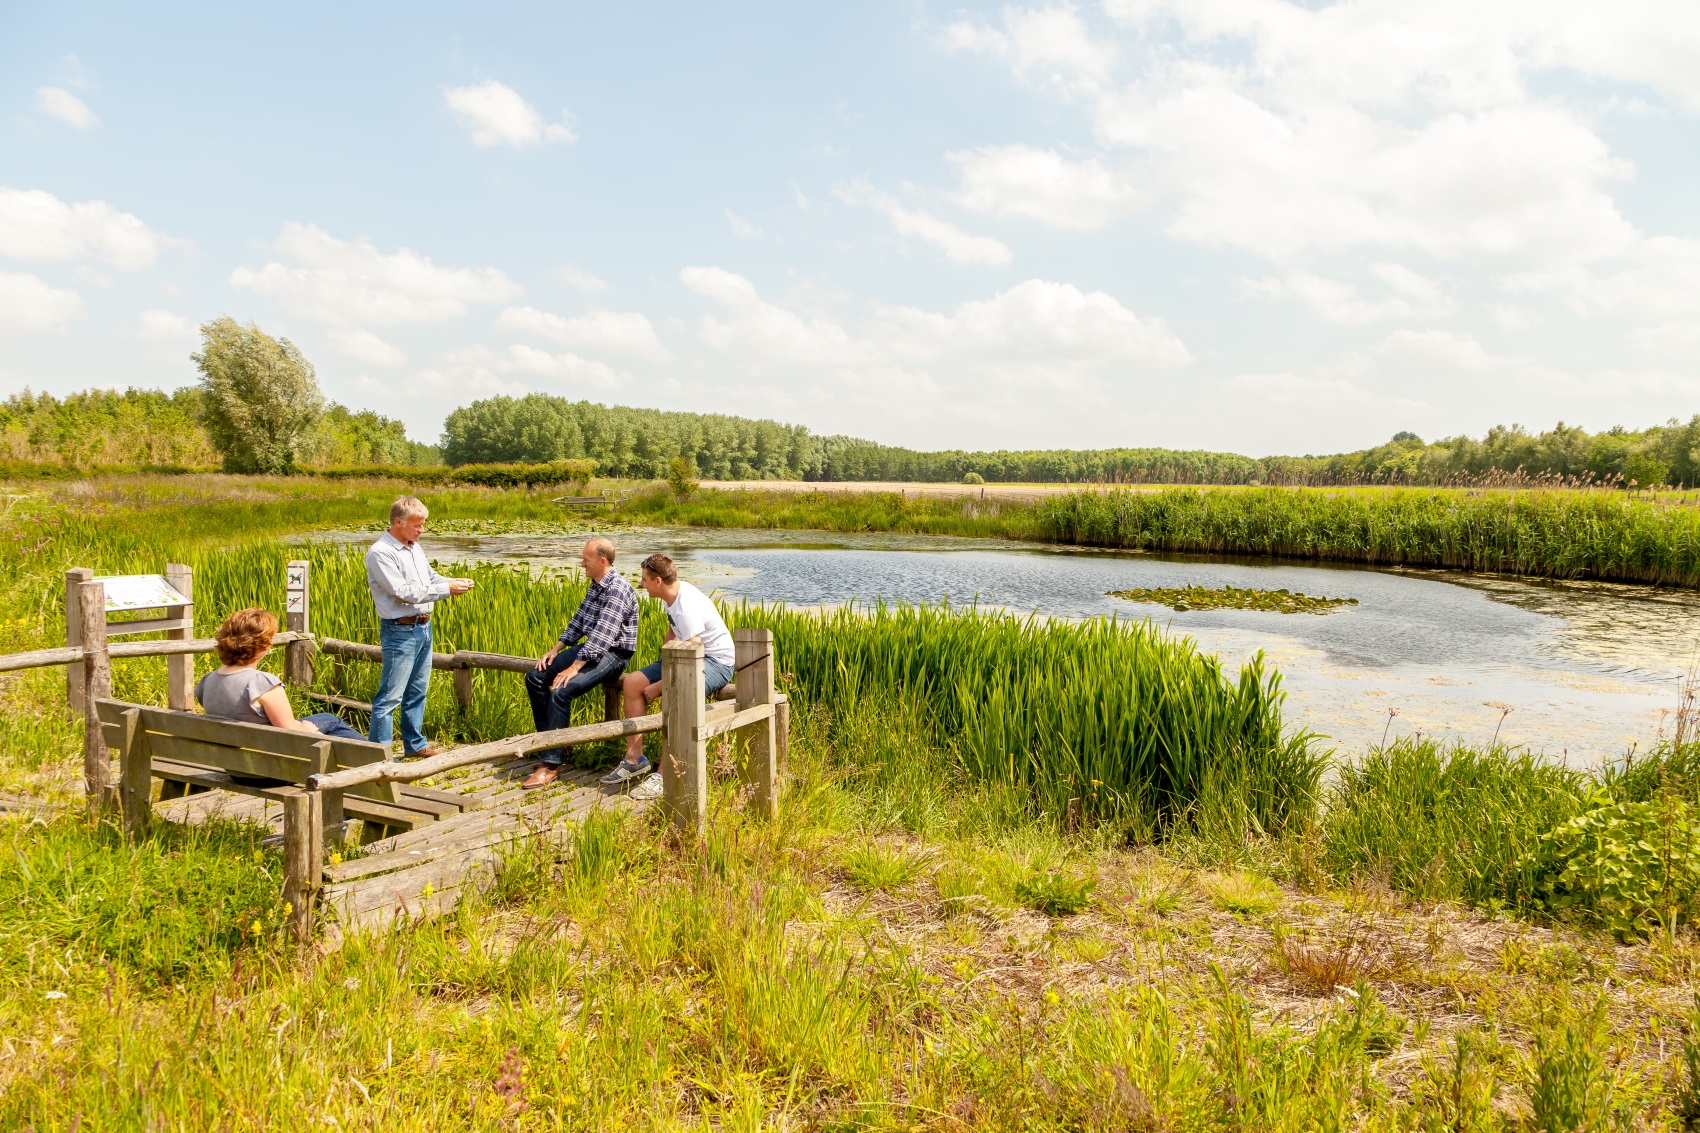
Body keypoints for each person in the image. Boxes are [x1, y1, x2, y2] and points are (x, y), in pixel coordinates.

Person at [521, 537, 639, 790]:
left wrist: (573, 667)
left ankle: (551, 764)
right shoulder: (595, 584)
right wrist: (555, 650)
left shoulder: (617, 588)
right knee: (535, 677)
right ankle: (552, 745)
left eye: (586, 559)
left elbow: (603, 636)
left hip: (614, 654)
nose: (581, 563)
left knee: (561, 691)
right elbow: (578, 620)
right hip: (591, 649)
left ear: (602, 561)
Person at [614, 553, 735, 793]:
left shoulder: (687, 604)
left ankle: (665, 774)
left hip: (715, 661)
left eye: (645, 580)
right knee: (633, 683)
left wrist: (661, 685)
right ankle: (635, 760)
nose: (641, 584)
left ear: (658, 581)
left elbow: (694, 651)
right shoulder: (670, 595)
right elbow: (673, 630)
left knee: (677, 693)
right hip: (683, 656)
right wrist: (662, 665)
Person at [366, 496, 474, 757]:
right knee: (390, 696)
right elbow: (402, 593)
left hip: (424, 627)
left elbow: (430, 578)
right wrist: (446, 590)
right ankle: (377, 756)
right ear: (398, 522)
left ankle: (414, 745)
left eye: (423, 524)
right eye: (417, 524)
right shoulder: (380, 553)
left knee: (417, 691)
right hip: (399, 630)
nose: (421, 529)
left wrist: (451, 581)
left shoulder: (414, 547)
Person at [196, 607, 366, 740]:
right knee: (331, 722)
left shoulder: (207, 681)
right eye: (269, 638)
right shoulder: (261, 683)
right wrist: (307, 730)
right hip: (270, 769)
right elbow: (291, 735)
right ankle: (386, 764)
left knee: (325, 718)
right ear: (262, 645)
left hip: (234, 766)